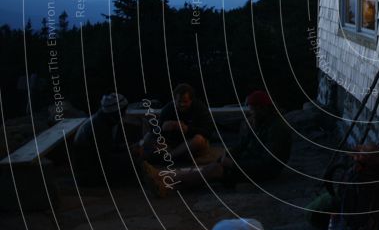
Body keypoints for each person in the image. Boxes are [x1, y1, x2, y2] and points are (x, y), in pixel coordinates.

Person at [142, 90, 292, 196]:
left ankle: (166, 181)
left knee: (213, 170)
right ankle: (163, 178)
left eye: (252, 109)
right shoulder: (261, 123)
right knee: (212, 167)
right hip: (248, 162)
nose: (250, 112)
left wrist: (234, 164)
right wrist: (228, 155)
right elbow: (243, 145)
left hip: (262, 171)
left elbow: (269, 163)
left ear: (262, 108)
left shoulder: (277, 129)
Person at [139, 83, 213, 165]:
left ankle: (169, 157)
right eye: (179, 101)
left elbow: (208, 132)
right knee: (148, 138)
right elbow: (155, 131)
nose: (182, 104)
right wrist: (163, 127)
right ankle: (178, 156)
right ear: (174, 100)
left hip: (191, 143)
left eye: (185, 102)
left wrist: (188, 129)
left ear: (191, 100)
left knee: (199, 139)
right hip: (173, 143)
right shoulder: (168, 109)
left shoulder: (200, 109)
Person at [72, 93, 136, 186]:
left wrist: (126, 147)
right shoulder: (98, 127)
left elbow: (106, 148)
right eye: (122, 111)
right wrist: (129, 154)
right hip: (88, 174)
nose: (124, 114)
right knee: (134, 163)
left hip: (91, 167)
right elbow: (104, 158)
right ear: (116, 112)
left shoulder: (101, 120)